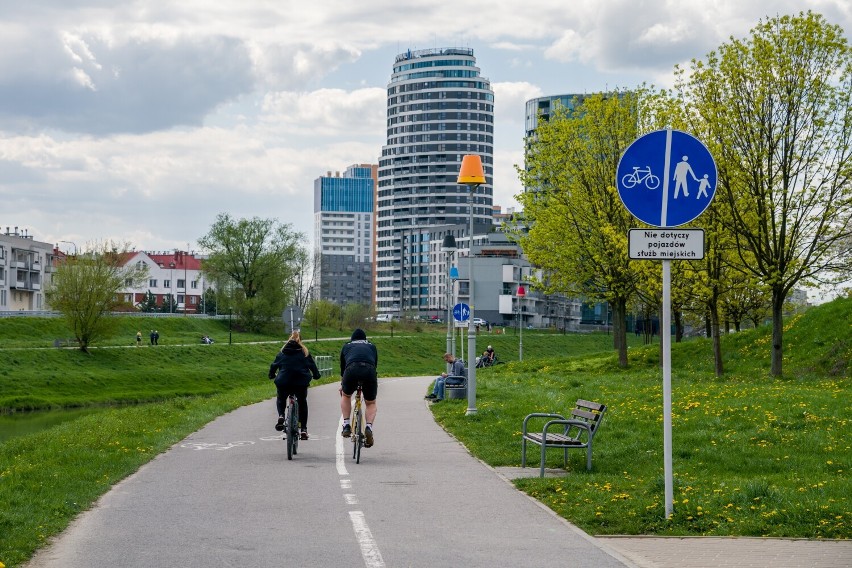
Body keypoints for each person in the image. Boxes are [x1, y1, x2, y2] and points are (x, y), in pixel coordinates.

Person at [268, 330, 320, 440]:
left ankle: (281, 415)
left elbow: (274, 365)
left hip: (284, 381)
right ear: (300, 340)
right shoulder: (304, 352)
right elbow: (312, 366)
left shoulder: (282, 352)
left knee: (281, 398)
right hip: (300, 383)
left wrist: (272, 375)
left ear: (289, 339)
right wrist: (316, 375)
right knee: (302, 403)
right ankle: (304, 430)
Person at [339, 328, 378, 447]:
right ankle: (368, 427)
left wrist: (343, 384)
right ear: (364, 339)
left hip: (351, 369)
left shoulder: (347, 346)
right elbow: (374, 364)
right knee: (371, 403)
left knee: (346, 396)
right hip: (369, 370)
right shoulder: (371, 346)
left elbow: (343, 367)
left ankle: (346, 424)